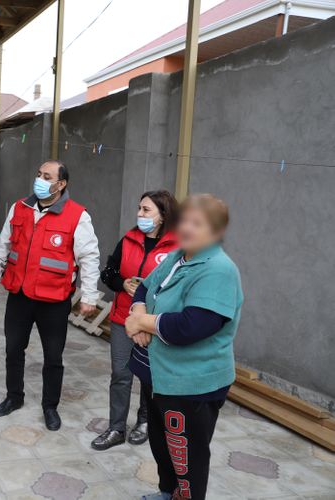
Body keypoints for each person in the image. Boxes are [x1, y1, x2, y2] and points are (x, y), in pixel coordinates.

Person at [125, 194, 243, 500]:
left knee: (186, 456)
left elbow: (191, 326)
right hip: (159, 376)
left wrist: (141, 322)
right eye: (185, 221)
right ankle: (167, 493)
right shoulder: (180, 256)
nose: (187, 228)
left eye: (197, 223)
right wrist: (138, 312)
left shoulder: (218, 269)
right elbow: (144, 287)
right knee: (162, 444)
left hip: (190, 385)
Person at [0, 160, 100, 431]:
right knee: (13, 349)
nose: (40, 180)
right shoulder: (20, 208)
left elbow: (89, 257)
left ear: (61, 184)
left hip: (54, 300)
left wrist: (89, 296)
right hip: (20, 294)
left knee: (53, 356)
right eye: (39, 174)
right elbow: (4, 244)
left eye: (47, 177)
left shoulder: (77, 216)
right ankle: (14, 397)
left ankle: (50, 406)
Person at [91, 190, 179, 451]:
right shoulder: (128, 240)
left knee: (149, 376)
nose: (139, 214)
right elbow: (108, 273)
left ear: (163, 215)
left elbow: (179, 287)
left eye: (146, 210)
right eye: (139, 208)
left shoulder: (176, 247)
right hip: (123, 319)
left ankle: (144, 421)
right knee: (121, 374)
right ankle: (116, 428)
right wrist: (123, 284)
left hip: (153, 323)